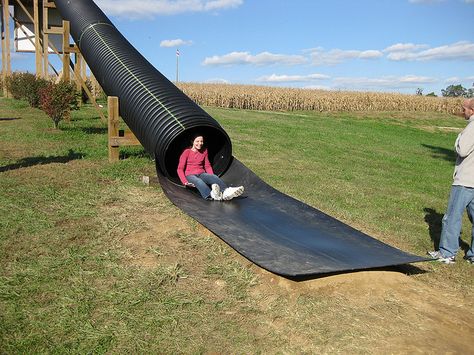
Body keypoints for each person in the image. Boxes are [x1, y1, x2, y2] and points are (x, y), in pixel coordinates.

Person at [428, 98, 474, 264]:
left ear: (472, 110)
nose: (463, 111)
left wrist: (458, 139)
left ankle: (447, 253)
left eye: (465, 108)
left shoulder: (472, 126)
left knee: (452, 217)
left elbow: (462, 150)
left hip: (466, 180)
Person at [177, 134, 244, 201]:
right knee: (199, 181)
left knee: (214, 177)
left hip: (201, 173)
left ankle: (226, 191)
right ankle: (210, 195)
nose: (200, 143)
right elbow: (180, 169)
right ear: (192, 142)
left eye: (201, 141)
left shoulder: (204, 151)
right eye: (197, 141)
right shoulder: (186, 152)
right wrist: (185, 182)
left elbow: (207, 165)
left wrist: (211, 175)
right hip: (190, 175)